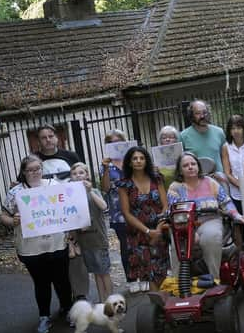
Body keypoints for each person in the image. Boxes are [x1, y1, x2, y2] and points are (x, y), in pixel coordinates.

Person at [0, 155, 72, 333]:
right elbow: (3, 215)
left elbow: (68, 208)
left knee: (62, 280)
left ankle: (68, 309)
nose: (34, 173)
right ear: (23, 172)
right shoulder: (16, 192)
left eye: (37, 169)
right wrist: (12, 221)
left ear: (42, 169)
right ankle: (44, 317)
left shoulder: (54, 187)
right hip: (30, 248)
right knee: (41, 282)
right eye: (30, 170)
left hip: (57, 243)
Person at [167, 151, 244, 280]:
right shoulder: (175, 187)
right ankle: (178, 281)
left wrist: (237, 216)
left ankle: (214, 278)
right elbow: (173, 211)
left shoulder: (210, 182)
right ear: (180, 170)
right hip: (184, 224)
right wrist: (190, 231)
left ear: (198, 166)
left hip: (210, 219)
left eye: (193, 164)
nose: (190, 167)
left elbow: (225, 202)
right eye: (186, 165)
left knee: (211, 237)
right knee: (178, 242)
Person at [34, 124, 89, 301]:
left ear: (57, 137)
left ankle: (80, 294)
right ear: (39, 141)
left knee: (76, 256)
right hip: (49, 218)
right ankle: (65, 299)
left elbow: (82, 178)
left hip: (71, 213)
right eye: (44, 137)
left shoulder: (70, 156)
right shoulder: (34, 160)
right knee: (57, 259)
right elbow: (28, 185)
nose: (48, 140)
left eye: (51, 136)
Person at [118, 147, 170, 291]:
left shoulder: (156, 179)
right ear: (129, 162)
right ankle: (156, 306)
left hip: (160, 228)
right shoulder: (124, 184)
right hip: (138, 234)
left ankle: (162, 304)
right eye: (135, 158)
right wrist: (148, 231)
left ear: (146, 161)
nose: (139, 161)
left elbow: (165, 205)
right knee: (149, 271)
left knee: (161, 269)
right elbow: (126, 213)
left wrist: (158, 229)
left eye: (142, 158)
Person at [69, 163, 112, 302]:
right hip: (84, 241)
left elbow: (104, 206)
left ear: (87, 175)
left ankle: (111, 300)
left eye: (81, 173)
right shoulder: (71, 195)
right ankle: (102, 300)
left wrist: (90, 192)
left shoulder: (94, 191)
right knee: (96, 273)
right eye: (74, 174)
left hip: (98, 239)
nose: (78, 176)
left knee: (104, 272)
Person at [100, 129, 136, 291]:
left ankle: (146, 275)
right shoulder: (106, 166)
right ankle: (131, 278)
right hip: (118, 213)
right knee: (126, 246)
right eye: (111, 143)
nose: (115, 145)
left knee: (141, 244)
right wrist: (106, 169)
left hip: (137, 209)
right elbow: (105, 188)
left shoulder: (133, 160)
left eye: (118, 142)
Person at [221, 114, 244, 215]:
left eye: (239, 128)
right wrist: (240, 185)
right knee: (239, 222)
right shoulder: (226, 147)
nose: (236, 131)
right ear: (229, 131)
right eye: (233, 128)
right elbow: (227, 173)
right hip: (236, 193)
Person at [181, 100, 227, 173]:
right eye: (197, 113)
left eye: (204, 112)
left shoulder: (219, 132)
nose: (202, 116)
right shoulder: (183, 136)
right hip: (197, 181)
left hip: (219, 180)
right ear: (191, 116)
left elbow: (225, 157)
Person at [156, 125, 182, 190]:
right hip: (163, 190)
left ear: (176, 139)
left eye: (171, 137)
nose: (167, 139)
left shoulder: (183, 155)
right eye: (164, 138)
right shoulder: (155, 157)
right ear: (160, 141)